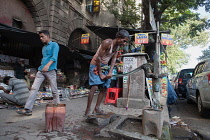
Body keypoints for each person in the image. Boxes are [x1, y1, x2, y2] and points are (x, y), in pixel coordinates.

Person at [84, 30, 130, 117]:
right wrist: (100, 73)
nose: (124, 44)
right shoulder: (107, 43)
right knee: (94, 87)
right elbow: (98, 58)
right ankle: (87, 110)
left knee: (105, 87)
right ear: (118, 37)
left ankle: (97, 108)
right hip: (95, 65)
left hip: (105, 66)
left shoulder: (117, 47)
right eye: (124, 41)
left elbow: (113, 60)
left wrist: (110, 72)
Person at [17, 30, 60, 116]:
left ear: (48, 36)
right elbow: (44, 58)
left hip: (51, 70)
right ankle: (28, 109)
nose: (41, 38)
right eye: (40, 37)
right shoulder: (43, 48)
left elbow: (54, 57)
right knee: (34, 88)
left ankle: (58, 109)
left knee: (54, 90)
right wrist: (42, 67)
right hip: (41, 71)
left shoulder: (55, 45)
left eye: (42, 36)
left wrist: (47, 66)